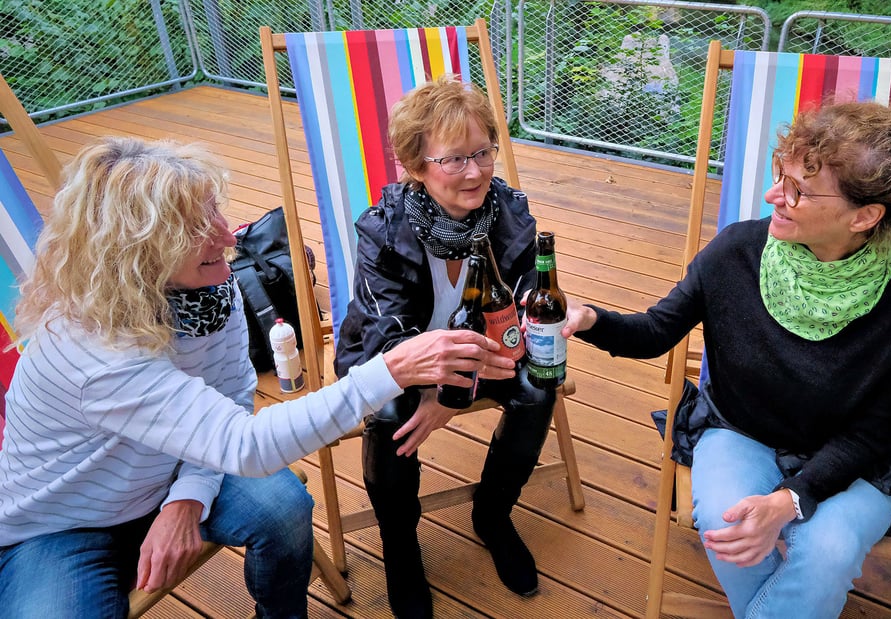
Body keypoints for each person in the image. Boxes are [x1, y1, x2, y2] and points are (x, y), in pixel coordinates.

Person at [0, 137, 514, 619]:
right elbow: (245, 446)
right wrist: (394, 368)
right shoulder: (92, 352)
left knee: (284, 510)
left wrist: (187, 497)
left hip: (171, 473)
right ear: (136, 253)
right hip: (61, 528)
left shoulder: (207, 294)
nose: (228, 237)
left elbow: (231, 396)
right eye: (196, 229)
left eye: (215, 212)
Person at [565, 101, 891, 618]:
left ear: (864, 216)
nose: (773, 195)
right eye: (781, 175)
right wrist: (589, 319)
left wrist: (790, 500)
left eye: (798, 189)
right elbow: (655, 332)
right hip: (740, 429)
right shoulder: (737, 252)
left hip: (850, 458)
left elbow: (869, 435)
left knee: (827, 553)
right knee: (727, 521)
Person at [333, 74, 552, 618]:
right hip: (400, 355)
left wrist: (451, 397)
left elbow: (527, 313)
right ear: (416, 166)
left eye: (482, 152)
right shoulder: (383, 232)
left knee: (539, 386)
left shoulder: (511, 215)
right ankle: (399, 544)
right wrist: (437, 393)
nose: (474, 172)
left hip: (480, 355)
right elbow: (389, 341)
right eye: (454, 159)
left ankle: (493, 513)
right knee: (391, 412)